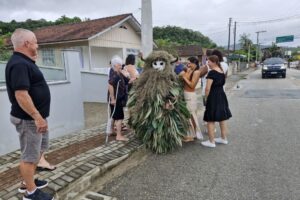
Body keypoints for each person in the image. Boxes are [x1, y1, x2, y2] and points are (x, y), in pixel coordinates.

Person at [5, 28, 53, 199]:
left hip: (35, 118)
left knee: (39, 150)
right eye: (35, 41)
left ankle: (28, 181)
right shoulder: (19, 64)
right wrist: (37, 117)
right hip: (29, 120)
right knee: (29, 156)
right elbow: (21, 95)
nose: (37, 44)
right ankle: (30, 193)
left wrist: (32, 59)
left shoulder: (24, 61)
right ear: (26, 43)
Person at [201, 55, 232, 148]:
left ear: (214, 62)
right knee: (222, 118)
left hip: (213, 96)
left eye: (209, 62)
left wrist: (207, 98)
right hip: (222, 95)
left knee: (210, 119)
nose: (207, 64)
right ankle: (223, 139)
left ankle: (211, 142)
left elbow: (207, 89)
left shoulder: (212, 73)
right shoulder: (222, 71)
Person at [179, 57, 203, 142]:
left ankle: (192, 135)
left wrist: (184, 77)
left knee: (191, 115)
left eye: (189, 63)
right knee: (188, 115)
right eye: (187, 63)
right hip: (185, 94)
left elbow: (192, 85)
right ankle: (191, 134)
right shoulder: (190, 70)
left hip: (190, 95)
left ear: (194, 63)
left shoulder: (196, 72)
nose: (188, 65)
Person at [108, 56, 129, 141]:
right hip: (116, 100)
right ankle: (119, 136)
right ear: (116, 65)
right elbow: (110, 85)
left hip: (117, 99)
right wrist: (113, 99)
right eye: (120, 65)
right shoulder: (114, 74)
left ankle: (112, 131)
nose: (121, 66)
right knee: (119, 117)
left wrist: (124, 73)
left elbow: (127, 81)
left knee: (114, 115)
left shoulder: (118, 72)